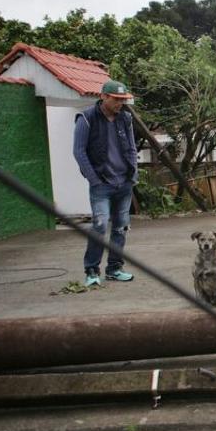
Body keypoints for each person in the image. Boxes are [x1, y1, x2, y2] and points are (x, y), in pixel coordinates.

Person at [72, 79, 138, 286]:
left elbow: (132, 147)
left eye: (123, 99)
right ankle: (92, 271)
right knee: (100, 226)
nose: (120, 103)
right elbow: (79, 151)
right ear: (103, 96)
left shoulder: (125, 118)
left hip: (124, 182)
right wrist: (94, 180)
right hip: (102, 183)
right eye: (116, 99)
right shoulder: (86, 118)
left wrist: (133, 173)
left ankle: (114, 268)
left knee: (120, 227)